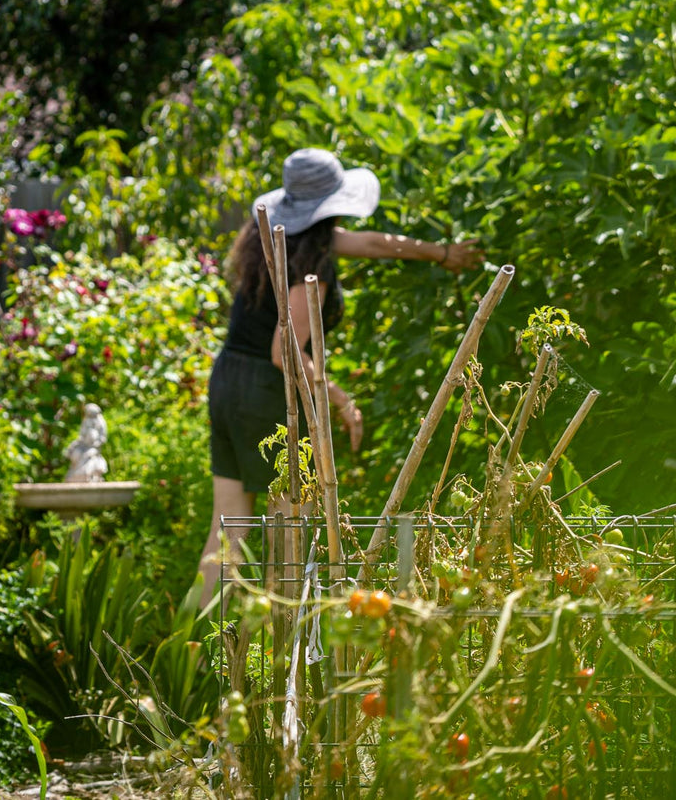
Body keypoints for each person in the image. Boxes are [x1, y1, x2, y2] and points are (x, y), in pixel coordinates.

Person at [197, 148, 483, 604]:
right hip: (269, 391)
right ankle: (282, 650)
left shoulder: (272, 236)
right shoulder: (312, 262)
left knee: (228, 532)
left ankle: (192, 654)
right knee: (291, 533)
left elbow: (372, 243)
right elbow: (283, 350)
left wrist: (440, 254)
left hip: (229, 378)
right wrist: (338, 397)